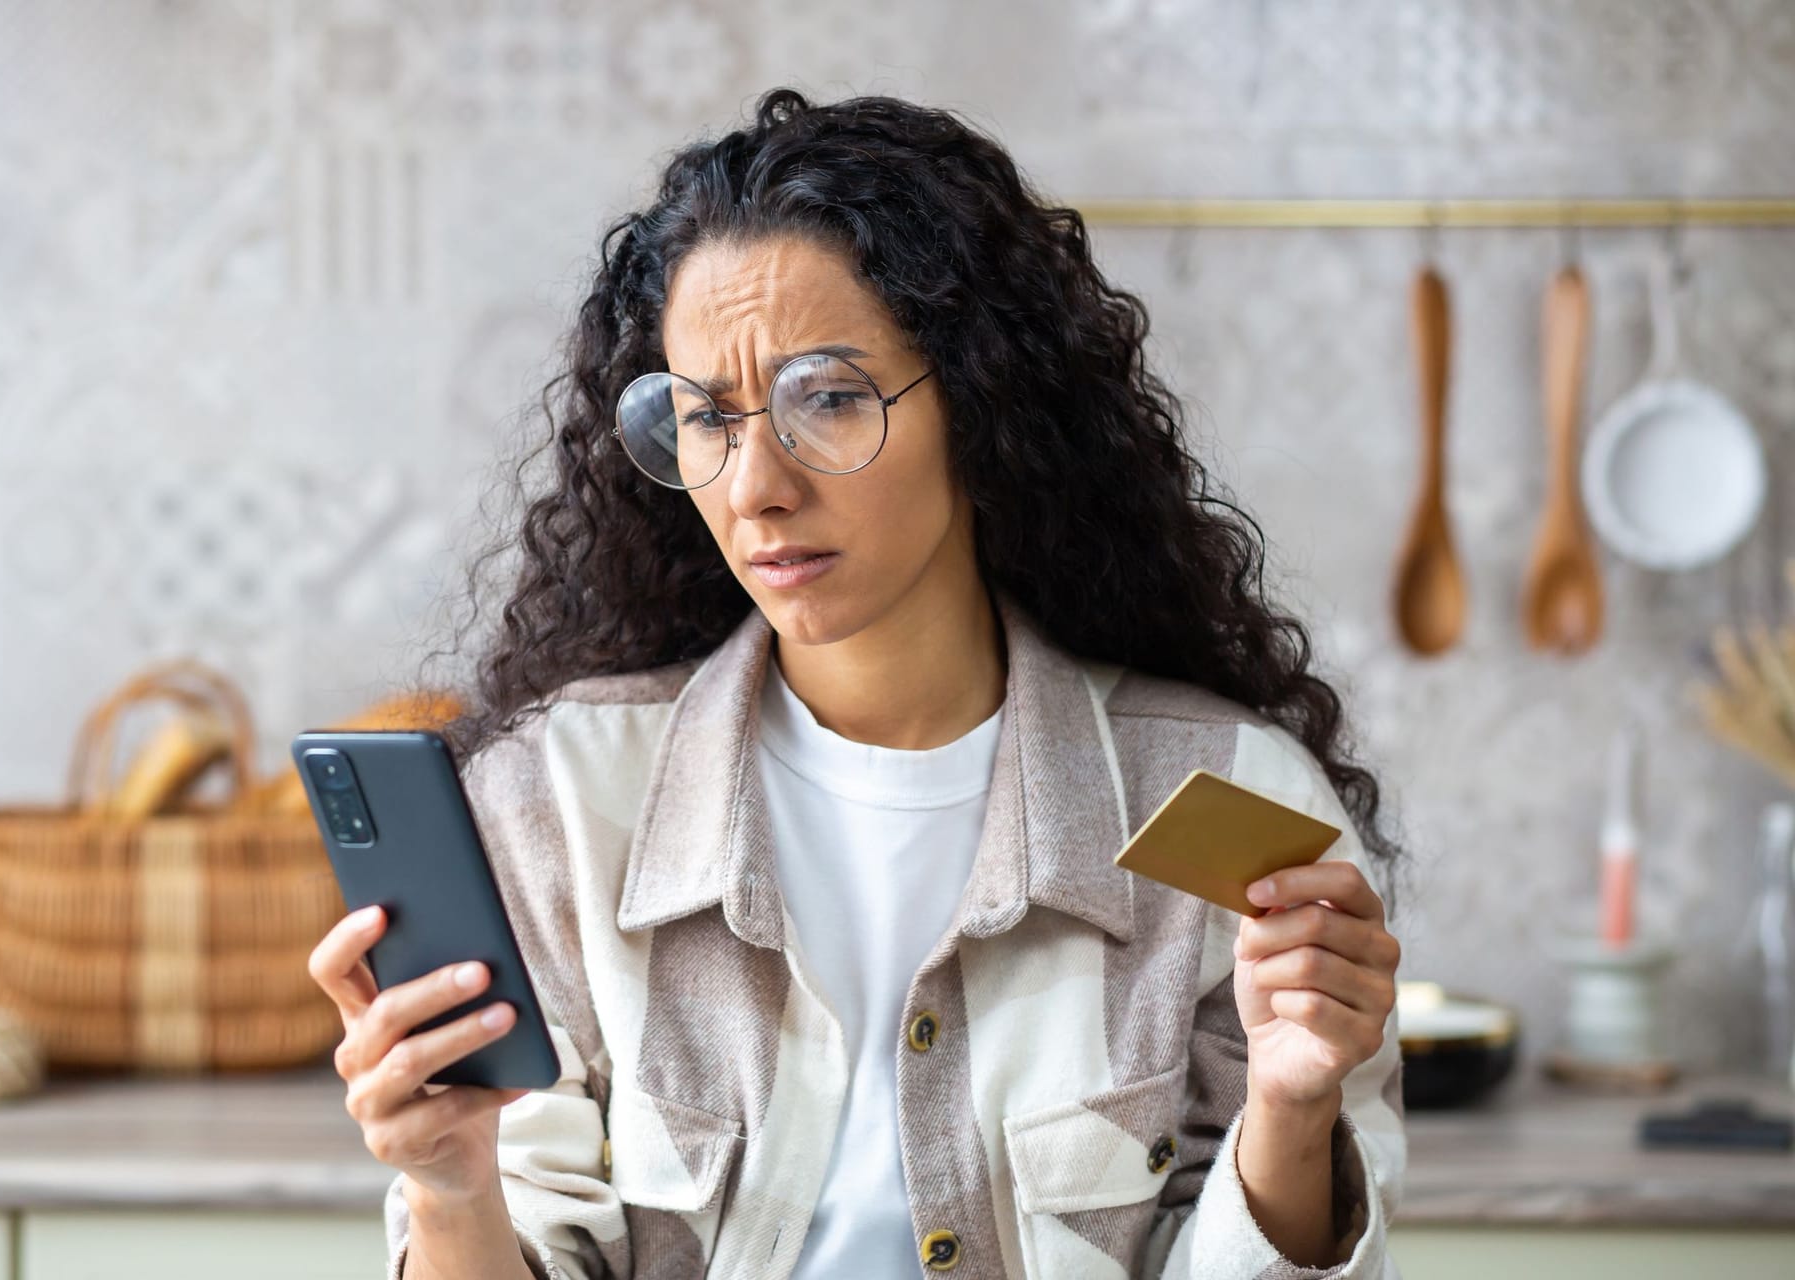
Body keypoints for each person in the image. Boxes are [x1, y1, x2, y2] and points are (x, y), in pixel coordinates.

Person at [307, 87, 1408, 1280]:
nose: (755, 487)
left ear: (982, 402)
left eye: (826, 397)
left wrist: (1294, 1115)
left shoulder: (1224, 799)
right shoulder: (555, 808)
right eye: (705, 417)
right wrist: (452, 1186)